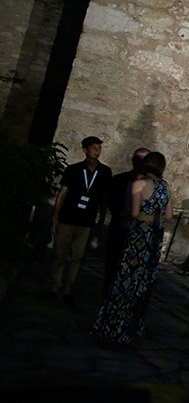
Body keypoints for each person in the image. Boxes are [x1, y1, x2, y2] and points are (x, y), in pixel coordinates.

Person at [91, 151, 172, 343]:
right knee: (143, 282)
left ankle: (114, 326)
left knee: (126, 279)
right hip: (154, 237)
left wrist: (125, 215)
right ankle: (135, 327)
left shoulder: (139, 184)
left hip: (139, 236)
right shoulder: (165, 187)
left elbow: (135, 212)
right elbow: (169, 216)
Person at [48, 135, 113, 305]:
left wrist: (101, 219)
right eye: (93, 148)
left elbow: (104, 197)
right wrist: (55, 216)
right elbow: (62, 193)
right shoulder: (73, 169)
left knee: (78, 256)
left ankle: (69, 289)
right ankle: (55, 286)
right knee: (59, 253)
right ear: (85, 150)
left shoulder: (105, 172)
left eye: (99, 148)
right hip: (68, 218)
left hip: (87, 221)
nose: (96, 151)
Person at [102, 146, 149, 295]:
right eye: (138, 159)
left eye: (144, 159)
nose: (140, 163)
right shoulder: (120, 180)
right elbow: (111, 201)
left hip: (139, 235)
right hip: (120, 229)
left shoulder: (154, 186)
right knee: (112, 265)